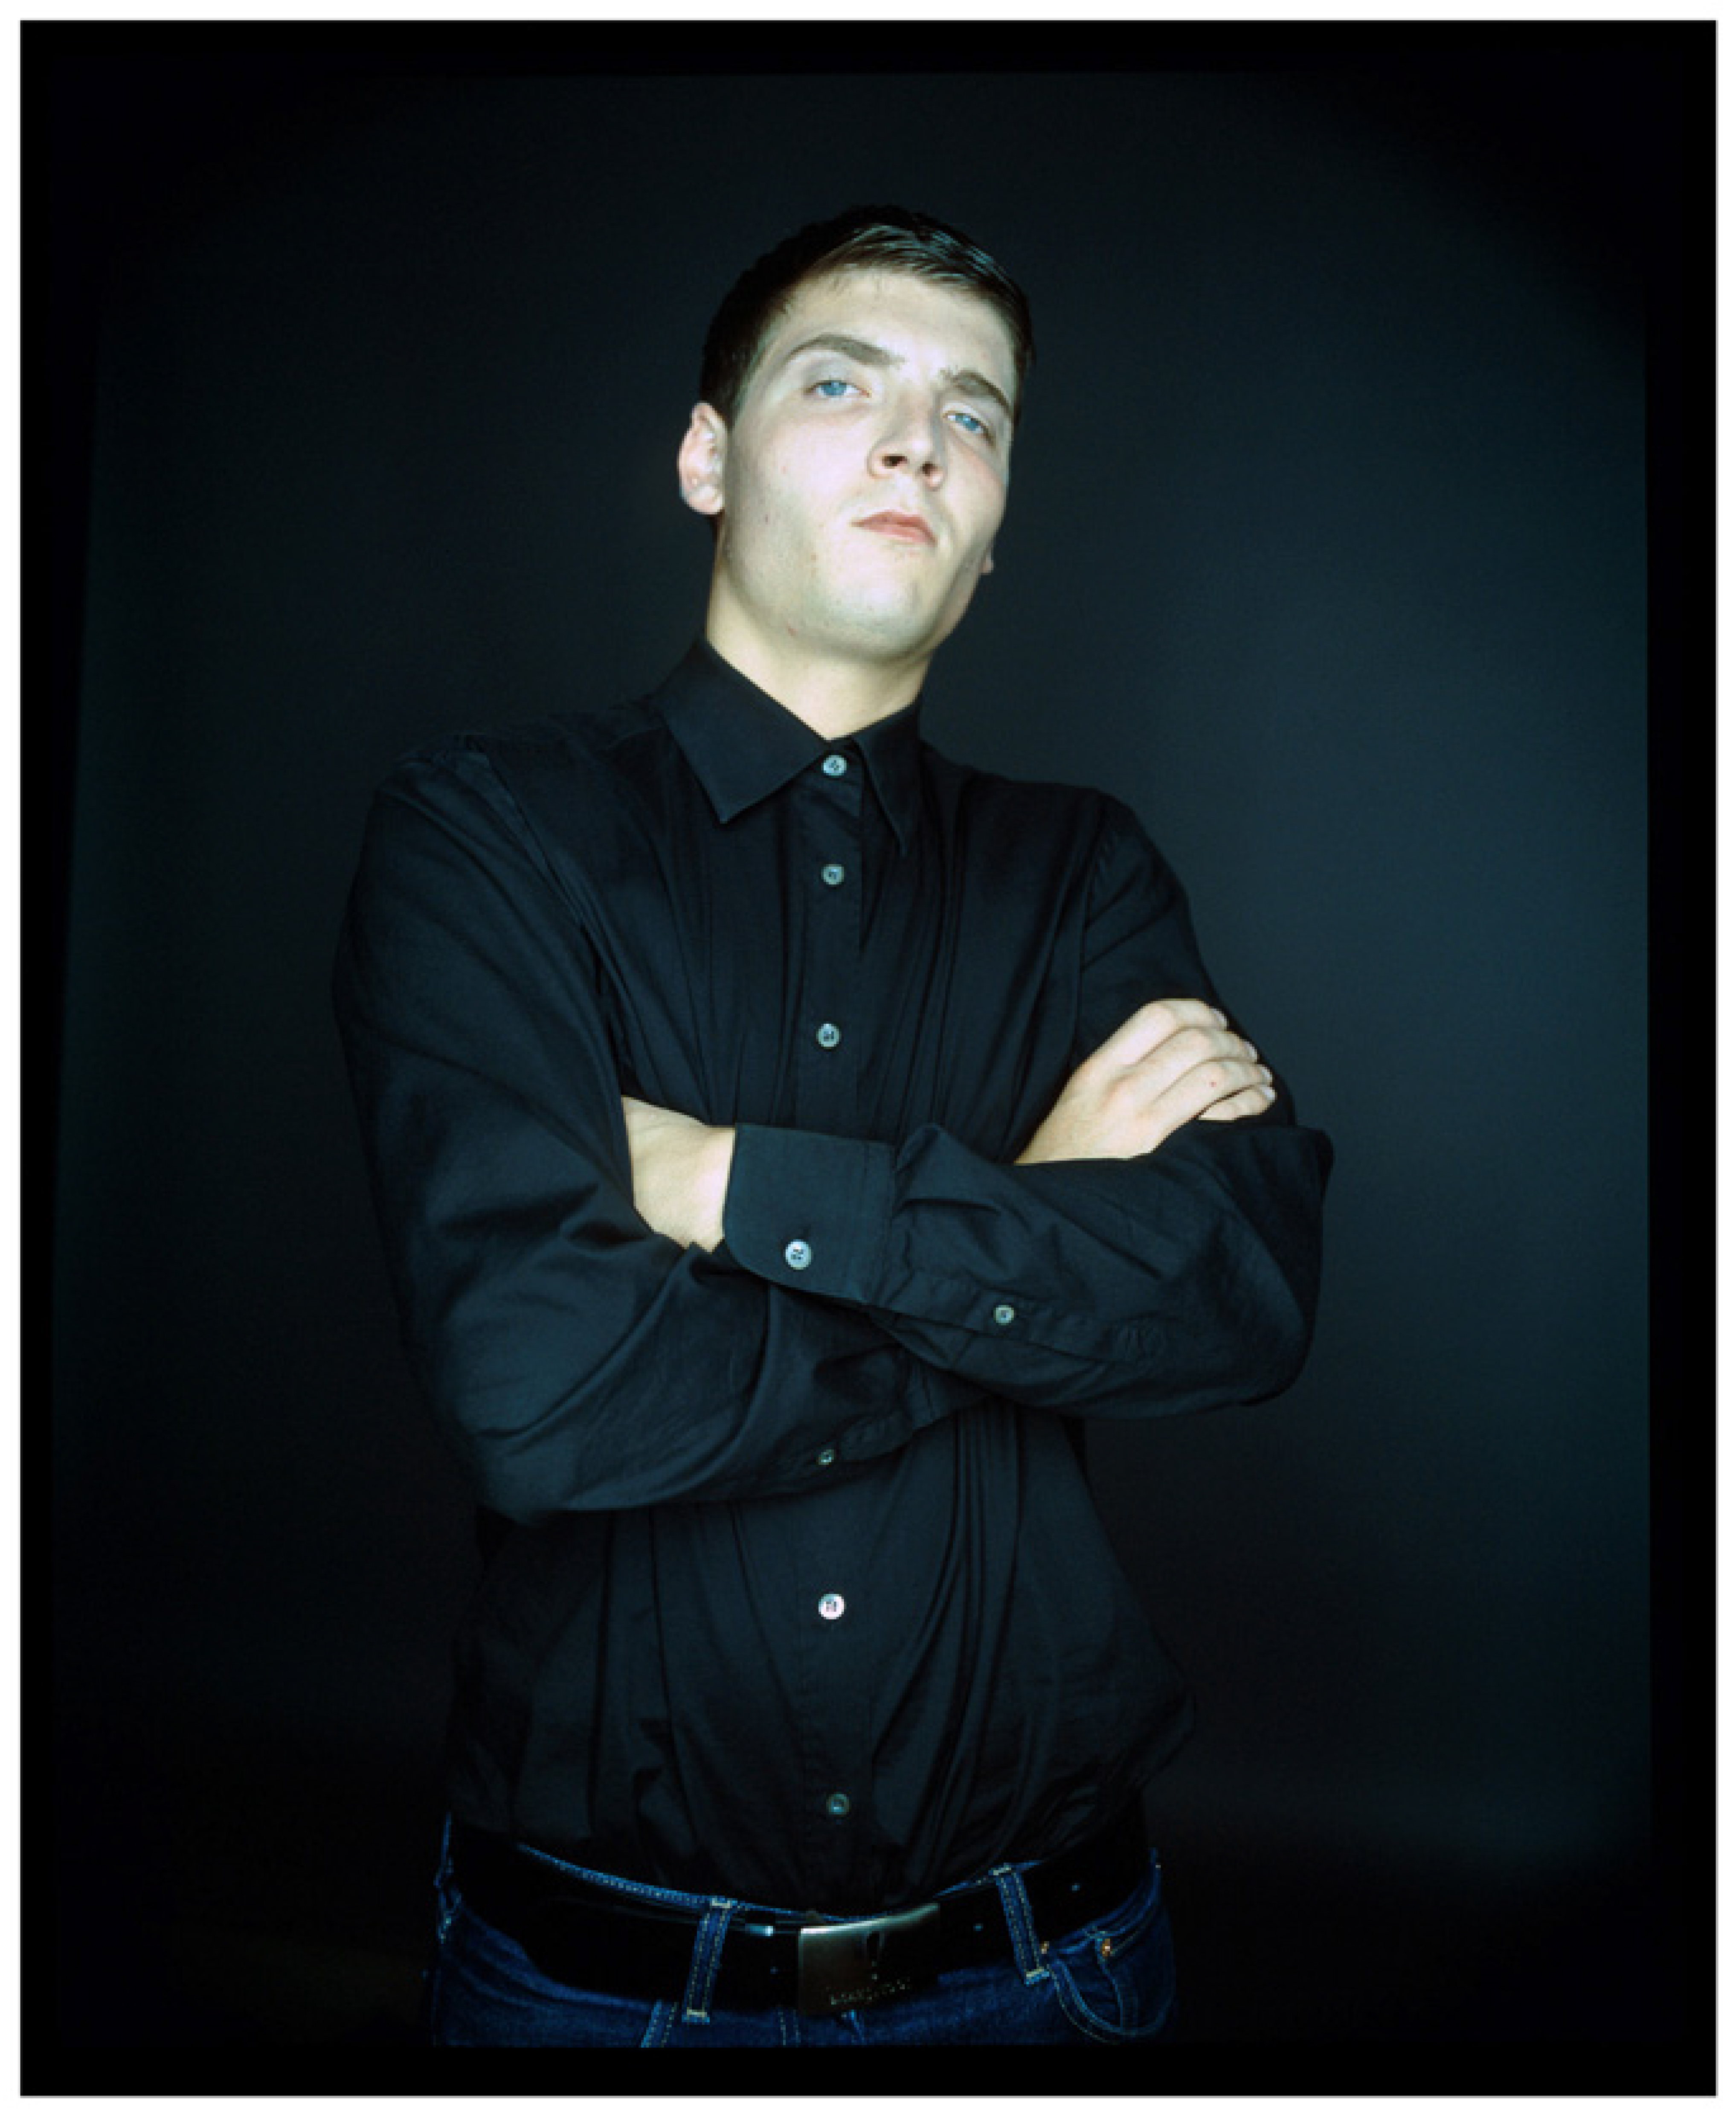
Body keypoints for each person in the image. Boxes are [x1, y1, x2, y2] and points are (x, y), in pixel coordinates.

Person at [332, 203, 1332, 2048]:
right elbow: (537, 1388)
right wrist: (1022, 1220)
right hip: (597, 1999)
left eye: (975, 415)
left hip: (1051, 1973)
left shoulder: (1084, 875)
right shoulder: (486, 834)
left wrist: (726, 1180)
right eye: (840, 383)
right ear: (707, 458)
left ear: (995, 523)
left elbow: (1235, 1294)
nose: (916, 442)